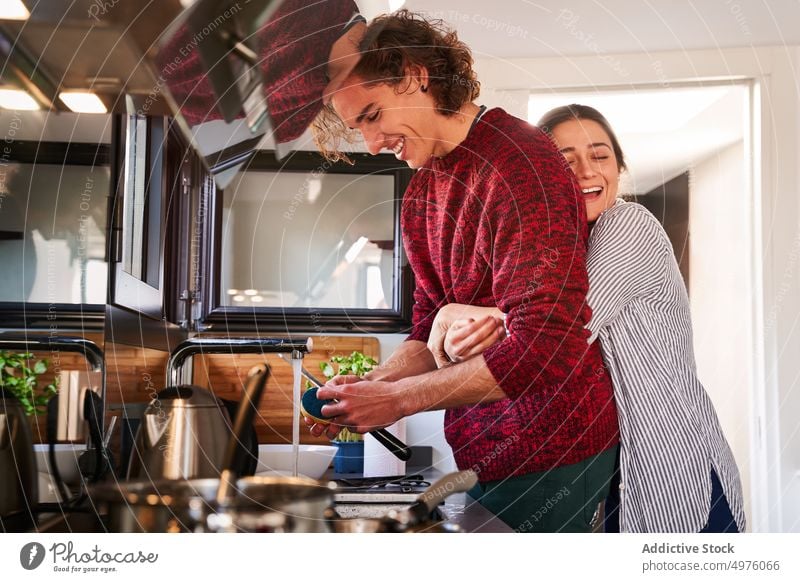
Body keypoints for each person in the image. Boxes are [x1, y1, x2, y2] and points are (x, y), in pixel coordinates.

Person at [309, 11, 619, 532]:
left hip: (554, 452)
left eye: (371, 115)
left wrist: (397, 400)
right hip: (480, 452)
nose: (370, 142)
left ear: (414, 75)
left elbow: (546, 347)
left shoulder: (522, 161)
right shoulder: (421, 194)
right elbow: (426, 332)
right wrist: (376, 385)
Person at [428, 104, 746, 533]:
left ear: (620, 167)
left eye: (599, 156)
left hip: (674, 464)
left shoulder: (628, 225)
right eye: (564, 158)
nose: (584, 170)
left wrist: (450, 313)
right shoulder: (569, 248)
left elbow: (560, 326)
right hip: (621, 471)